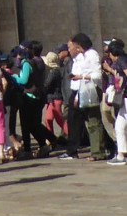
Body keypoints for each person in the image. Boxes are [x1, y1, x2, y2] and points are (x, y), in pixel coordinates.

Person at [58, 32, 106, 161]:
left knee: (93, 121)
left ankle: (99, 151)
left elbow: (97, 75)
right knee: (75, 120)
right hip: (79, 91)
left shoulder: (92, 55)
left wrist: (81, 77)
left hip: (89, 91)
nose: (70, 49)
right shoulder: (80, 57)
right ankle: (74, 150)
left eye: (72, 46)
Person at [104, 40, 127, 165]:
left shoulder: (121, 60)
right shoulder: (123, 59)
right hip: (124, 97)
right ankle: (121, 155)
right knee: (119, 125)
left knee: (120, 125)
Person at [42, 50, 67, 141]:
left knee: (60, 120)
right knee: (48, 119)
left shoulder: (53, 72)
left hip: (54, 99)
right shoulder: (57, 71)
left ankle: (71, 136)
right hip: (54, 99)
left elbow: (47, 84)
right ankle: (51, 139)